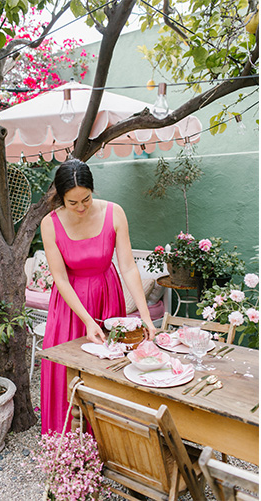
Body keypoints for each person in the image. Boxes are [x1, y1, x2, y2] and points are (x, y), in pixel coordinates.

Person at [40, 159, 156, 434]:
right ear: (61, 197)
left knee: (109, 370)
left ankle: (109, 444)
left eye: (86, 199)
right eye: (72, 202)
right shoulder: (49, 224)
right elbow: (60, 278)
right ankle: (68, 446)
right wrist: (88, 321)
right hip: (70, 307)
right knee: (67, 375)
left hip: (108, 297)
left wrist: (145, 316)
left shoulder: (114, 213)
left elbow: (128, 266)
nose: (81, 208)